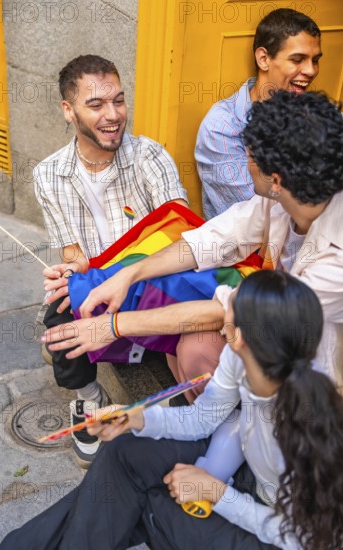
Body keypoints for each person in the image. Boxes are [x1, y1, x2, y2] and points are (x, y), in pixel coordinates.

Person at [0, 271, 343, 549]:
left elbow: (304, 538)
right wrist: (136, 417)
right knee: (125, 453)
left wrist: (216, 494)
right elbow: (201, 419)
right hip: (240, 467)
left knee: (149, 503)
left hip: (274, 526)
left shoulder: (310, 426)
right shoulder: (244, 358)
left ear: (236, 335)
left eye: (228, 306)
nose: (220, 305)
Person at [42, 90, 343, 395]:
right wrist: (126, 275)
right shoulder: (280, 200)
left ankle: (228, 424)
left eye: (249, 157)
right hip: (262, 322)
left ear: (276, 180)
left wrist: (113, 327)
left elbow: (228, 309)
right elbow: (206, 242)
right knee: (190, 339)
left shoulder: (335, 264)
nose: (246, 163)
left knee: (195, 344)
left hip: (309, 370)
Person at [35, 54, 188, 467]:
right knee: (58, 317)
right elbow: (74, 255)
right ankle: (89, 399)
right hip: (99, 282)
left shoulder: (149, 157)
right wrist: (70, 273)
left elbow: (179, 235)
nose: (113, 115)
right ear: (68, 111)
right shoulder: (48, 174)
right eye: (97, 104)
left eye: (119, 101)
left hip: (154, 283)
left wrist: (123, 275)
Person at [196, 8, 322, 219]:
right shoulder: (222, 127)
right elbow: (259, 221)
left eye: (315, 60)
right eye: (298, 59)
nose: (311, 71)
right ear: (263, 59)